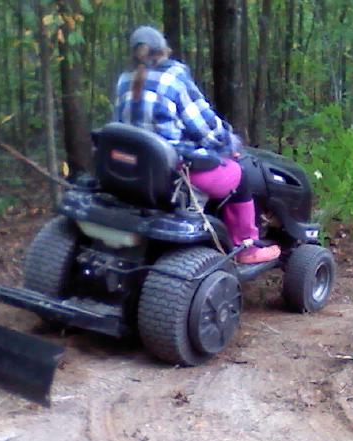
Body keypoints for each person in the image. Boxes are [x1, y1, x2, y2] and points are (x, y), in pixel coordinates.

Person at [114, 26, 280, 264]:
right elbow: (207, 129)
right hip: (172, 173)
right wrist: (229, 142)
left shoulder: (124, 80)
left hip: (134, 171)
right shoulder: (173, 79)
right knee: (238, 175)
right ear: (164, 51)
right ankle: (246, 247)